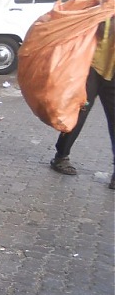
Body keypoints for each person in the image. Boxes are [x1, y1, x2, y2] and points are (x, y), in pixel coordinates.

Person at [50, 16, 115, 189]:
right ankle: (61, 156)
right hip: (91, 68)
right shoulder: (105, 4)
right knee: (79, 112)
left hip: (113, 74)